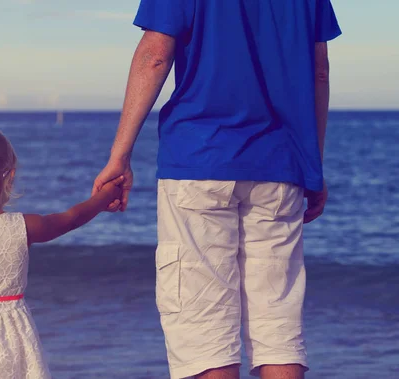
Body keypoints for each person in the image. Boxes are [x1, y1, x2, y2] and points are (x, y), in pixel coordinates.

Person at [93, 1, 341, 378]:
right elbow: (319, 72)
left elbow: (156, 56)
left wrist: (119, 155)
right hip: (281, 164)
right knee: (278, 326)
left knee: (203, 330)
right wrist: (314, 163)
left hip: (199, 159)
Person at [0, 124, 125, 378]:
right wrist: (103, 198)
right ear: (9, 175)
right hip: (8, 341)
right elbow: (70, 219)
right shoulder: (22, 226)